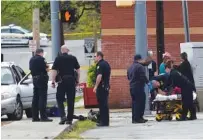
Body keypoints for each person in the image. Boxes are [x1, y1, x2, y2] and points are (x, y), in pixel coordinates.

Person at [51, 45, 80, 125]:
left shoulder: (58, 59)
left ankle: (63, 116)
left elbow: (54, 70)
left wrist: (53, 81)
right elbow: (78, 70)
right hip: (71, 81)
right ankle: (69, 119)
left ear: (61, 50)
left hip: (61, 81)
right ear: (67, 50)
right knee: (71, 100)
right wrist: (77, 81)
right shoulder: (73, 58)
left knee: (59, 99)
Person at [29, 48, 52, 122]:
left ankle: (35, 117)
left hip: (34, 79)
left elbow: (30, 69)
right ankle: (43, 117)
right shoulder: (42, 59)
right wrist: (48, 67)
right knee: (42, 98)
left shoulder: (31, 59)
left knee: (35, 98)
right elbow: (46, 68)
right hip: (41, 79)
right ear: (41, 53)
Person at [127, 54, 149, 124]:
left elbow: (128, 77)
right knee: (140, 102)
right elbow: (143, 76)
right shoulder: (140, 67)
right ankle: (139, 118)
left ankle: (134, 118)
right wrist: (148, 83)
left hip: (132, 87)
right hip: (139, 87)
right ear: (139, 59)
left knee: (134, 103)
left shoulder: (130, 67)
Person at [93, 51, 111, 127]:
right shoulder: (106, 64)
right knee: (105, 105)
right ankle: (105, 121)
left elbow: (99, 76)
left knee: (102, 104)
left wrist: (96, 86)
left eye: (95, 56)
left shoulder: (100, 65)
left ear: (99, 56)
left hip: (101, 87)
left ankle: (103, 122)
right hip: (106, 86)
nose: (94, 58)